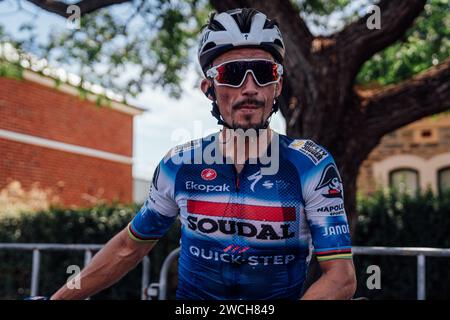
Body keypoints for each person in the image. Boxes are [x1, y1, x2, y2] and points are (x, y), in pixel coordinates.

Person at [51, 8, 356, 300]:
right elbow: (128, 248)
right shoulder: (179, 165)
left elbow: (340, 278)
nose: (249, 87)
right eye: (232, 73)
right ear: (208, 88)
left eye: (264, 72)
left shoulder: (311, 165)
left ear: (277, 86)